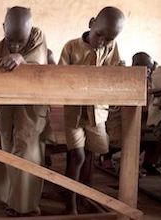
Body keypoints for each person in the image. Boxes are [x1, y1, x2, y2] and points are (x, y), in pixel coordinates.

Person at [58, 6, 125, 214]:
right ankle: (71, 204)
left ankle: (85, 197)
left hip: (97, 113)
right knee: (77, 156)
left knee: (90, 156)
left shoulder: (111, 48)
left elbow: (112, 74)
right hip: (74, 113)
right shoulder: (71, 47)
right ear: (91, 22)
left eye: (109, 38)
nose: (102, 41)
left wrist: (121, 71)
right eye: (99, 35)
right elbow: (60, 77)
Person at [0, 6, 50, 217]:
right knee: (8, 148)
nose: (14, 46)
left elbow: (38, 61)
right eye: (10, 39)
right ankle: (10, 199)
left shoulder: (38, 36)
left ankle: (26, 206)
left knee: (27, 150)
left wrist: (21, 59)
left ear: (30, 30)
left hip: (31, 109)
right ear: (4, 28)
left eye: (20, 42)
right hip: (6, 108)